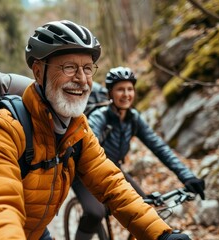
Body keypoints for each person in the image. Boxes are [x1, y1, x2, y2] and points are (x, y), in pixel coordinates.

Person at [0, 20, 192, 240]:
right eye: (69, 67)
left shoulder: (78, 129)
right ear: (38, 71)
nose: (82, 79)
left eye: (88, 68)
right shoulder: (2, 128)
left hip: (34, 230)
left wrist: (161, 234)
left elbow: (111, 183)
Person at [72, 66, 206, 239]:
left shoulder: (133, 118)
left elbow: (160, 147)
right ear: (110, 93)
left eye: (130, 89)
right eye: (120, 89)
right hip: (85, 172)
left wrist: (187, 176)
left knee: (146, 211)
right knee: (94, 213)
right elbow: (87, 151)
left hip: (114, 171)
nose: (126, 94)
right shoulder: (99, 117)